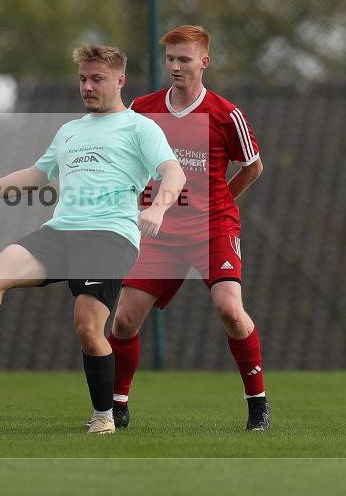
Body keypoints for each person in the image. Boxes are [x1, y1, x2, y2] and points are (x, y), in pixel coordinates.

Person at [0, 44, 186, 434]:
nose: (87, 86)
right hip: (60, 232)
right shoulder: (70, 130)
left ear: (120, 81)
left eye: (97, 79)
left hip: (108, 236)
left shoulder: (140, 128)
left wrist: (157, 209)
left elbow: (173, 173)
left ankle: (104, 416)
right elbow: (35, 176)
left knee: (88, 327)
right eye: (83, 79)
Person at [107, 25, 270, 431]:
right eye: (170, 59)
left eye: (184, 59)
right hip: (159, 231)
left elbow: (253, 167)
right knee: (123, 320)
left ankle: (258, 405)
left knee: (230, 311)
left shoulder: (226, 114)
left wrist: (221, 201)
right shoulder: (143, 109)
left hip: (212, 228)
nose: (176, 66)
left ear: (204, 62)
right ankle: (116, 406)